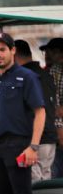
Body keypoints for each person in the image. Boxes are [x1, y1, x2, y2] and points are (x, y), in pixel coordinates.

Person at [0, 32, 46, 194]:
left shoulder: (27, 77)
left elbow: (40, 112)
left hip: (18, 146)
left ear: (12, 50)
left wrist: (33, 147)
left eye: (2, 50)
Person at [14, 39, 57, 181]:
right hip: (50, 136)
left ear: (14, 55)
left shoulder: (23, 77)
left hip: (34, 139)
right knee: (46, 179)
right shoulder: (46, 75)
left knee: (34, 183)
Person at [41, 37, 63, 178]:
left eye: (50, 52)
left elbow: (57, 109)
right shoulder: (53, 71)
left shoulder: (54, 71)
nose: (47, 56)